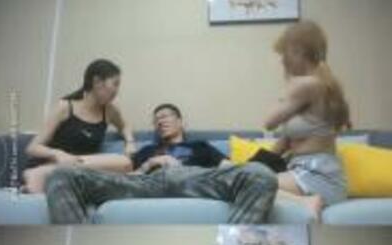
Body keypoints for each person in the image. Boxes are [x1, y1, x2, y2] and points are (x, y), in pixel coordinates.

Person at [45, 104, 279, 224]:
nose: (160, 121)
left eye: (165, 116)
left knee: (260, 175)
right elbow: (130, 176)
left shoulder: (201, 147)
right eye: (156, 120)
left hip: (192, 179)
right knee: (62, 175)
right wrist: (149, 164)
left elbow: (227, 170)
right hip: (146, 183)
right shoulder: (147, 150)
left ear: (181, 122)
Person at [263, 20, 351, 220]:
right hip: (315, 174)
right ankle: (304, 200)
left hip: (315, 175)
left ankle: (306, 202)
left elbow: (269, 122)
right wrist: (251, 166)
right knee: (241, 178)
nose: (282, 61)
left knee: (246, 184)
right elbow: (282, 144)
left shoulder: (307, 85)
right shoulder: (325, 83)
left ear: (298, 51)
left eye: (284, 53)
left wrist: (287, 89)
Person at [23, 59, 136, 193]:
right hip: (56, 163)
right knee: (124, 163)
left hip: (79, 172)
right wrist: (58, 154)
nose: (116, 91)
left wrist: (129, 142)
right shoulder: (65, 107)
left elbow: (124, 126)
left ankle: (45, 175)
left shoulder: (110, 110)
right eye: (115, 84)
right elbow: (32, 148)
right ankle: (41, 175)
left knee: (125, 164)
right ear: (97, 82)